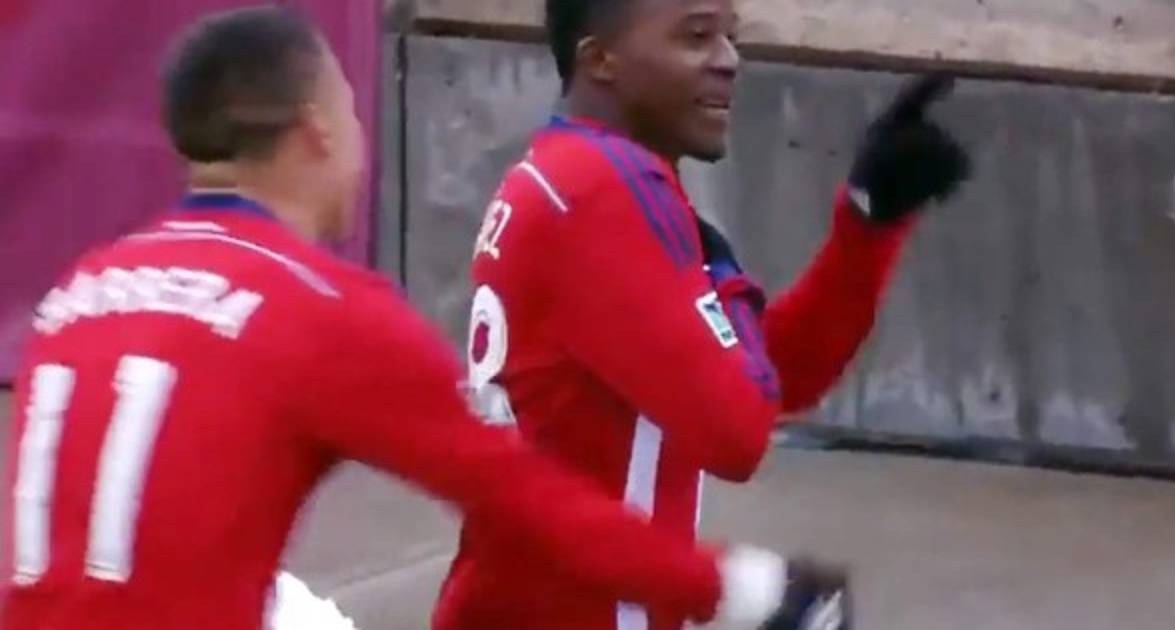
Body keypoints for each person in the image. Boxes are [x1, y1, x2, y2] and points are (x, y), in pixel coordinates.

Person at [0, 6, 848, 630]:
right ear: (317, 131)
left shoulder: (81, 292)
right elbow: (522, 496)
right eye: (352, 113)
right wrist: (738, 589)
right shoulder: (317, 307)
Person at [440, 0, 973, 628]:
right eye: (696, 37)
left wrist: (866, 222)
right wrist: (716, 268)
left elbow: (770, 377)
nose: (728, 60)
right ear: (601, 59)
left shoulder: (569, 175)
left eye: (730, 37)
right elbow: (735, 430)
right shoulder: (605, 187)